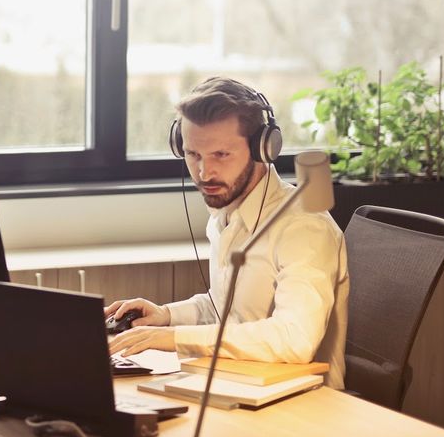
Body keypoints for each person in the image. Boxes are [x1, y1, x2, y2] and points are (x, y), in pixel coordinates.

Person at [107, 77, 349, 388]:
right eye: (193, 155)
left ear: (263, 148)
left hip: (302, 404)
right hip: (237, 384)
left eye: (221, 155)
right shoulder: (226, 213)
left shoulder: (304, 227)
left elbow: (295, 339)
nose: (205, 174)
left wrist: (172, 337)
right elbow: (228, 311)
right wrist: (166, 316)